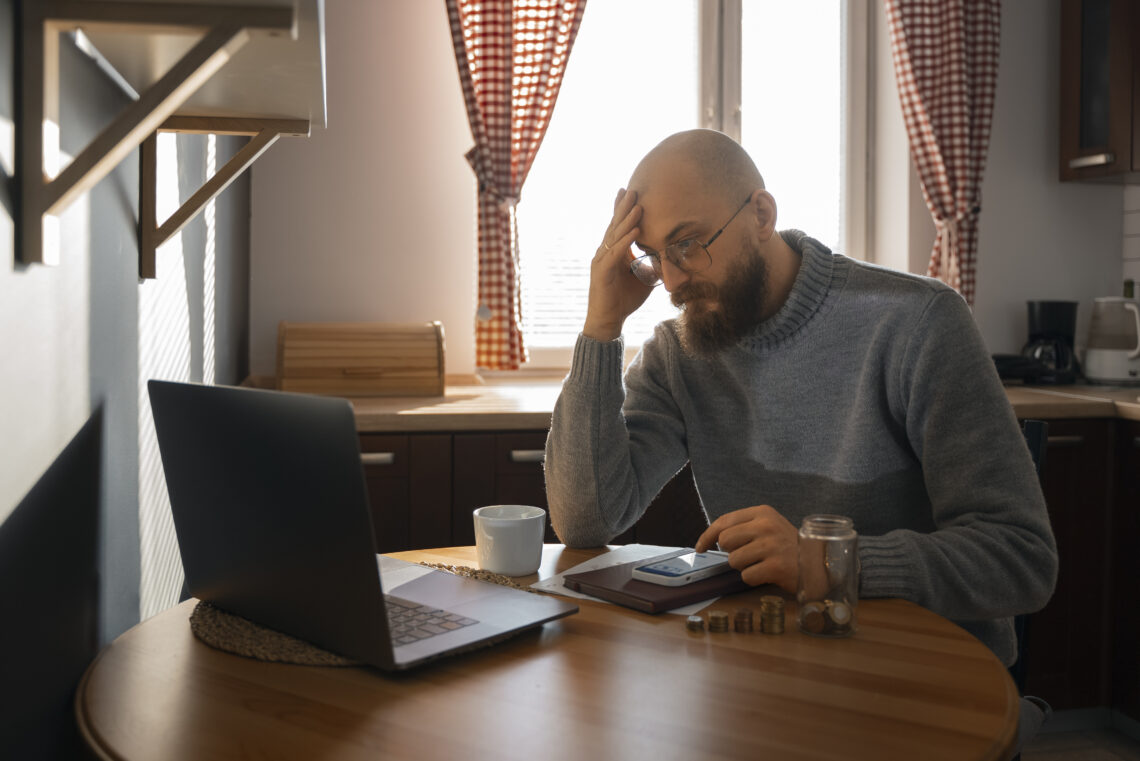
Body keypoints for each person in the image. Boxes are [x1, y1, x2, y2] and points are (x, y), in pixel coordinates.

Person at [543, 129, 1057, 667]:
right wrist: (601, 325)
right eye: (654, 257)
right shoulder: (680, 351)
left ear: (762, 215)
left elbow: (1021, 560)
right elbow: (585, 522)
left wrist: (827, 562)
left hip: (923, 671)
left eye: (688, 245)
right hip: (772, 666)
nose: (671, 283)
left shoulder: (917, 322)